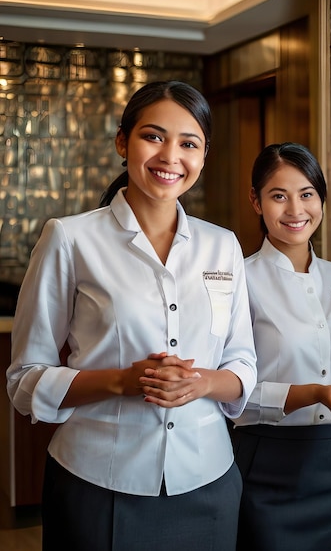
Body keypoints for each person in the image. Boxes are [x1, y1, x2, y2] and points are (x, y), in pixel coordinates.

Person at [7, 80, 257, 551]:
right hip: (98, 483)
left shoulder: (222, 245)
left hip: (210, 482)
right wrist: (123, 381)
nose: (170, 156)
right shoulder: (70, 238)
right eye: (154, 136)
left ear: (204, 155)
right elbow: (25, 379)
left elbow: (242, 360)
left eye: (189, 143)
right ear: (124, 141)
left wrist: (202, 381)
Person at [230, 142, 331, 551]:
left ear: (321, 199)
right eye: (279, 196)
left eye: (307, 194)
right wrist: (315, 394)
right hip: (265, 459)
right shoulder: (239, 281)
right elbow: (230, 394)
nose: (296, 210)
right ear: (256, 201)